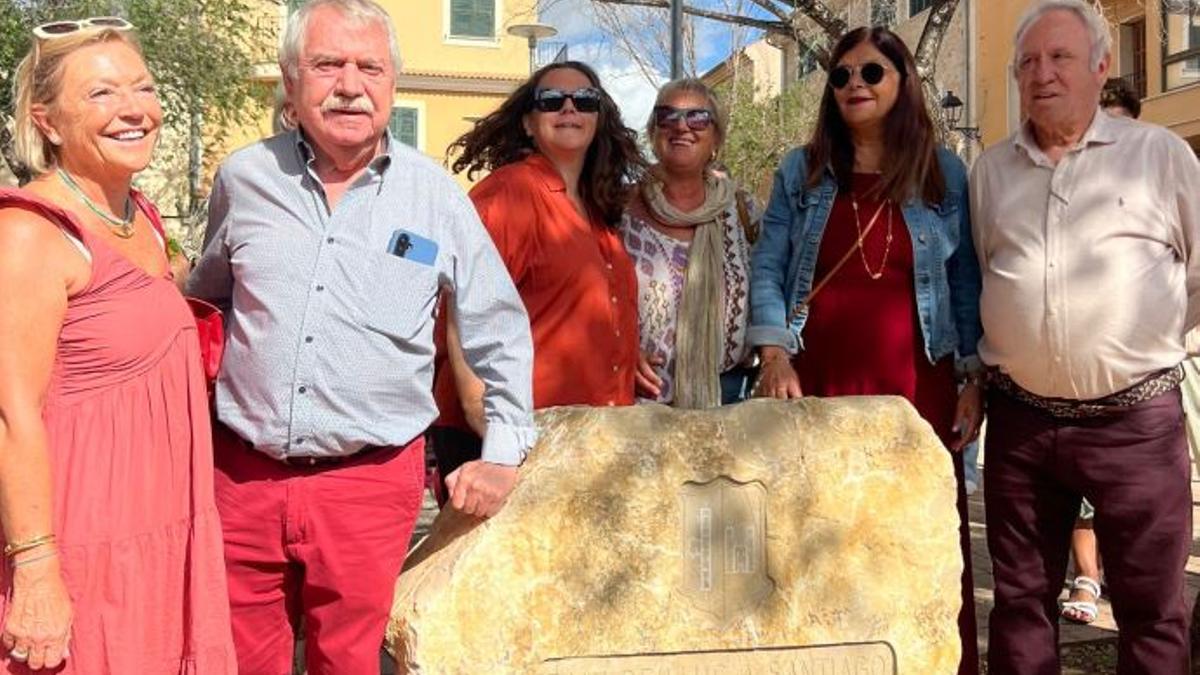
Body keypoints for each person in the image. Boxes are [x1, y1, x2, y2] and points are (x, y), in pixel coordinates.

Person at [186, 1, 537, 672]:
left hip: (369, 487)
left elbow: (499, 326)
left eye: (369, 67)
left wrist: (503, 451)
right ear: (291, 82)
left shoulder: (435, 197)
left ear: (392, 83)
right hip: (242, 477)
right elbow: (209, 302)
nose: (350, 85)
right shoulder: (244, 179)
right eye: (327, 64)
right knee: (232, 658)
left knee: (350, 662)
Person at [0, 19, 235, 674]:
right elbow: (10, 413)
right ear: (46, 121)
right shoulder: (30, 232)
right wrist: (39, 569)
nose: (135, 109)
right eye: (102, 94)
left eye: (144, 87)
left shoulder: (143, 217)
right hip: (84, 536)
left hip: (162, 525)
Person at [971, 1, 1200, 672]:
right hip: (1021, 424)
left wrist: (1138, 346)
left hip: (1136, 424)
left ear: (1101, 67)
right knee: (1018, 606)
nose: (1042, 74)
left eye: (1060, 57)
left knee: (1154, 612)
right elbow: (990, 272)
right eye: (1029, 62)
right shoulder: (991, 171)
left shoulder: (1159, 156)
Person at [749, 26, 983, 675]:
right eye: (842, 74)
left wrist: (973, 379)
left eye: (871, 72)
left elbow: (965, 284)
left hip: (920, 391)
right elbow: (769, 264)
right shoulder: (804, 171)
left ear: (903, 81)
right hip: (819, 386)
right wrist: (773, 353)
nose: (854, 83)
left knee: (922, 543)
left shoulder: (945, 174)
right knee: (822, 545)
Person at [428, 61, 644, 483]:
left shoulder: (596, 208)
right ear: (528, 122)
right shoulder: (510, 193)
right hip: (510, 440)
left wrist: (625, 354)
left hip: (579, 440)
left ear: (599, 119)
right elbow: (464, 307)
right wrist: (488, 426)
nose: (569, 108)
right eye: (551, 101)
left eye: (584, 100)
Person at [1059, 75, 1142, 626]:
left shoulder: (1158, 176)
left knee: (1139, 493)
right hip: (1074, 371)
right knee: (1085, 492)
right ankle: (1088, 579)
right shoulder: (1062, 187)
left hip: (1153, 372)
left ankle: (1130, 580)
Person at [621, 79, 760, 408]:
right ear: (654, 131)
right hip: (643, 401)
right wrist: (618, 350)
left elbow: (772, 284)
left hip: (731, 396)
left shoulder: (743, 209)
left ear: (716, 136)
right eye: (667, 116)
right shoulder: (618, 209)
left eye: (698, 117)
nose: (682, 126)